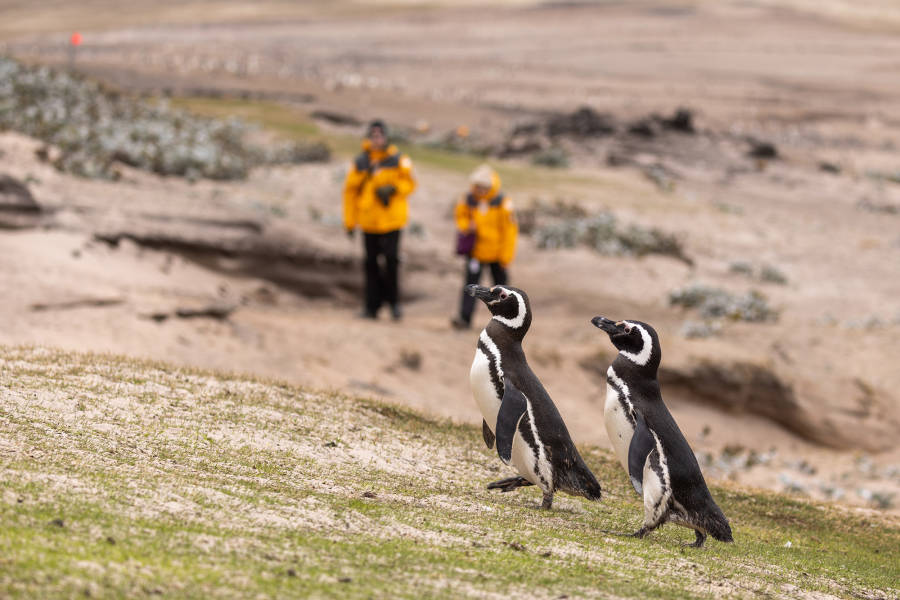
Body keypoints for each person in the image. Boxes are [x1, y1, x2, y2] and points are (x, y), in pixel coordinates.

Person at [343, 120, 416, 320]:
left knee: (391, 261)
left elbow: (410, 183)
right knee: (370, 264)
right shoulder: (360, 163)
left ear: (386, 137)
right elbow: (350, 194)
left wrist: (394, 189)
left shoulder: (398, 159)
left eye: (380, 135)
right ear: (368, 138)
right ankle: (371, 306)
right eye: (373, 136)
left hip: (392, 220)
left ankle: (394, 304)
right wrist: (349, 222)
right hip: (368, 221)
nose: (377, 139)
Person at [451, 164, 518, 329]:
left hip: (497, 254)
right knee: (471, 288)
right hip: (476, 252)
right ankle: (464, 319)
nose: (480, 191)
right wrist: (467, 226)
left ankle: (507, 321)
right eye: (478, 187)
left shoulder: (502, 202)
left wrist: (506, 256)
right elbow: (460, 217)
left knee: (503, 291)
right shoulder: (468, 199)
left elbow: (510, 231)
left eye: (484, 187)